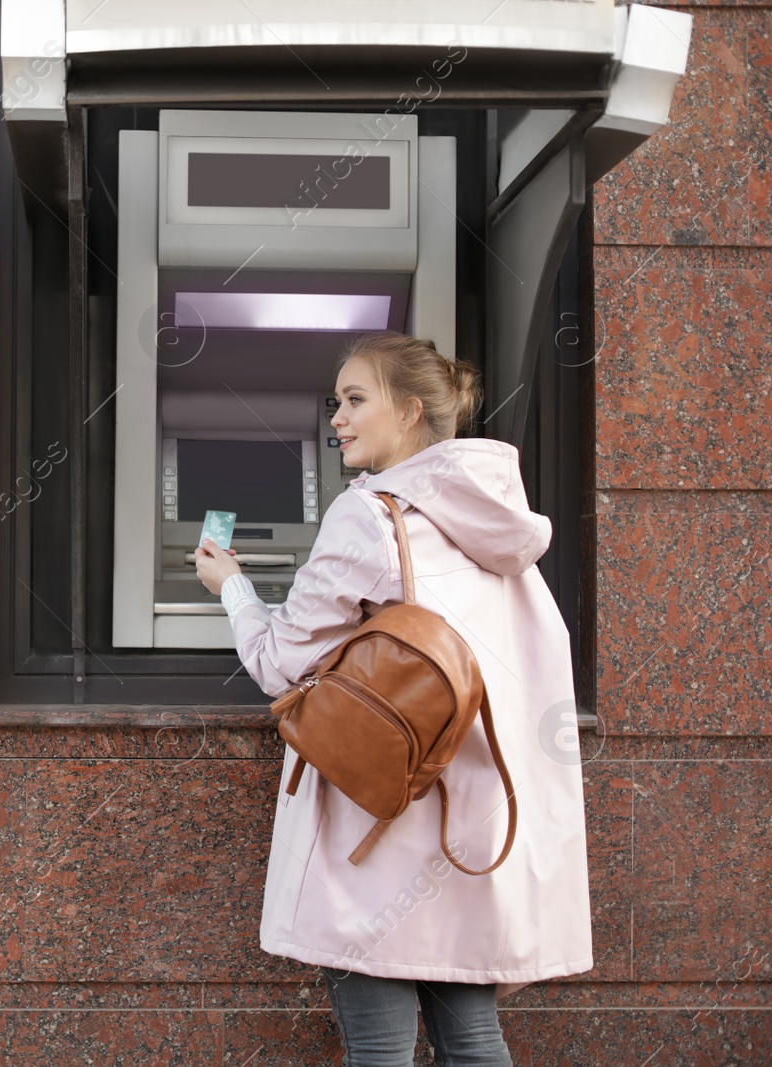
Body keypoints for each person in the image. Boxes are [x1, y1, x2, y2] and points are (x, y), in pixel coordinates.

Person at [194, 331, 593, 1066]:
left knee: (378, 1048)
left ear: (409, 411)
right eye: (334, 401)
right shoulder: (500, 523)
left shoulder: (369, 512)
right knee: (472, 1040)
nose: (337, 418)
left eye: (355, 399)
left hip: (377, 825)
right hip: (469, 827)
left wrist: (234, 589)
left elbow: (280, 663)